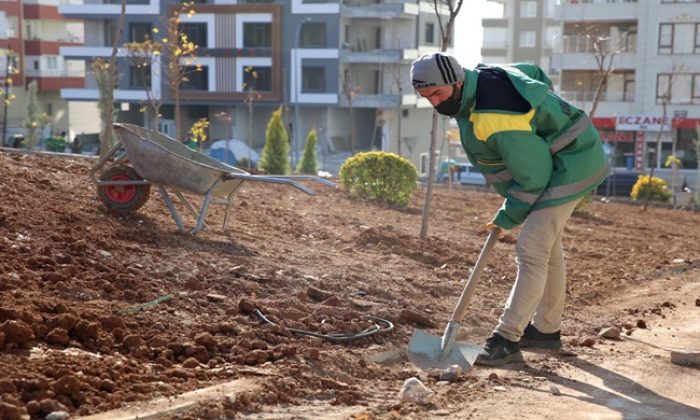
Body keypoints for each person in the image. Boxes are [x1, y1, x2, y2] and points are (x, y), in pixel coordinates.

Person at [410, 53, 607, 366]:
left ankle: (506, 338)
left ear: (457, 82)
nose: (434, 103)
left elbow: (534, 176)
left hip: (573, 164)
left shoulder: (493, 113)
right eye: (426, 97)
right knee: (546, 246)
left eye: (438, 94)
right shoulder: (482, 77)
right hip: (564, 158)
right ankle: (545, 331)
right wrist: (540, 118)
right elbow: (532, 72)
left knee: (530, 248)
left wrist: (509, 213)